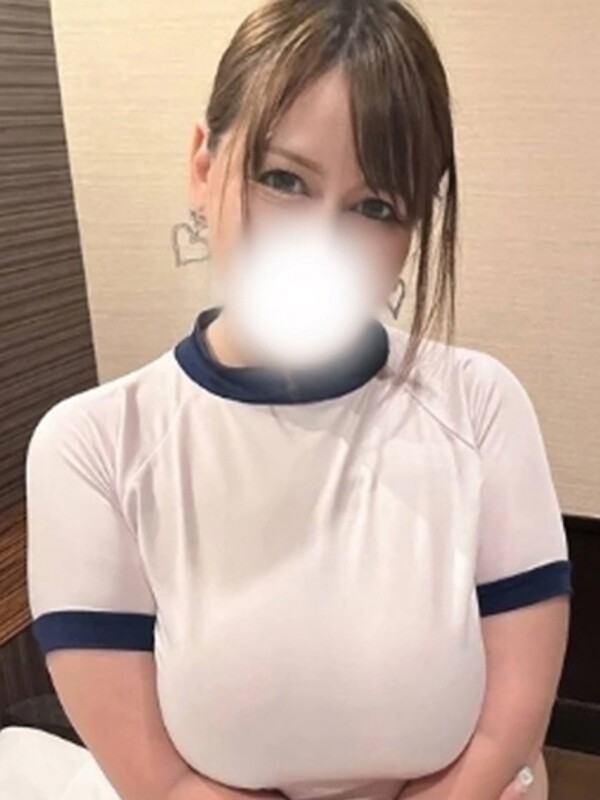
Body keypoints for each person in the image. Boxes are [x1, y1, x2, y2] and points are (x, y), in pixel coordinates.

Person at [25, 2, 572, 799]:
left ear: (411, 231)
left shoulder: (480, 404)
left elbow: (506, 728)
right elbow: (164, 783)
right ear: (204, 165)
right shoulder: (93, 447)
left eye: (375, 206)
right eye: (283, 179)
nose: (321, 244)